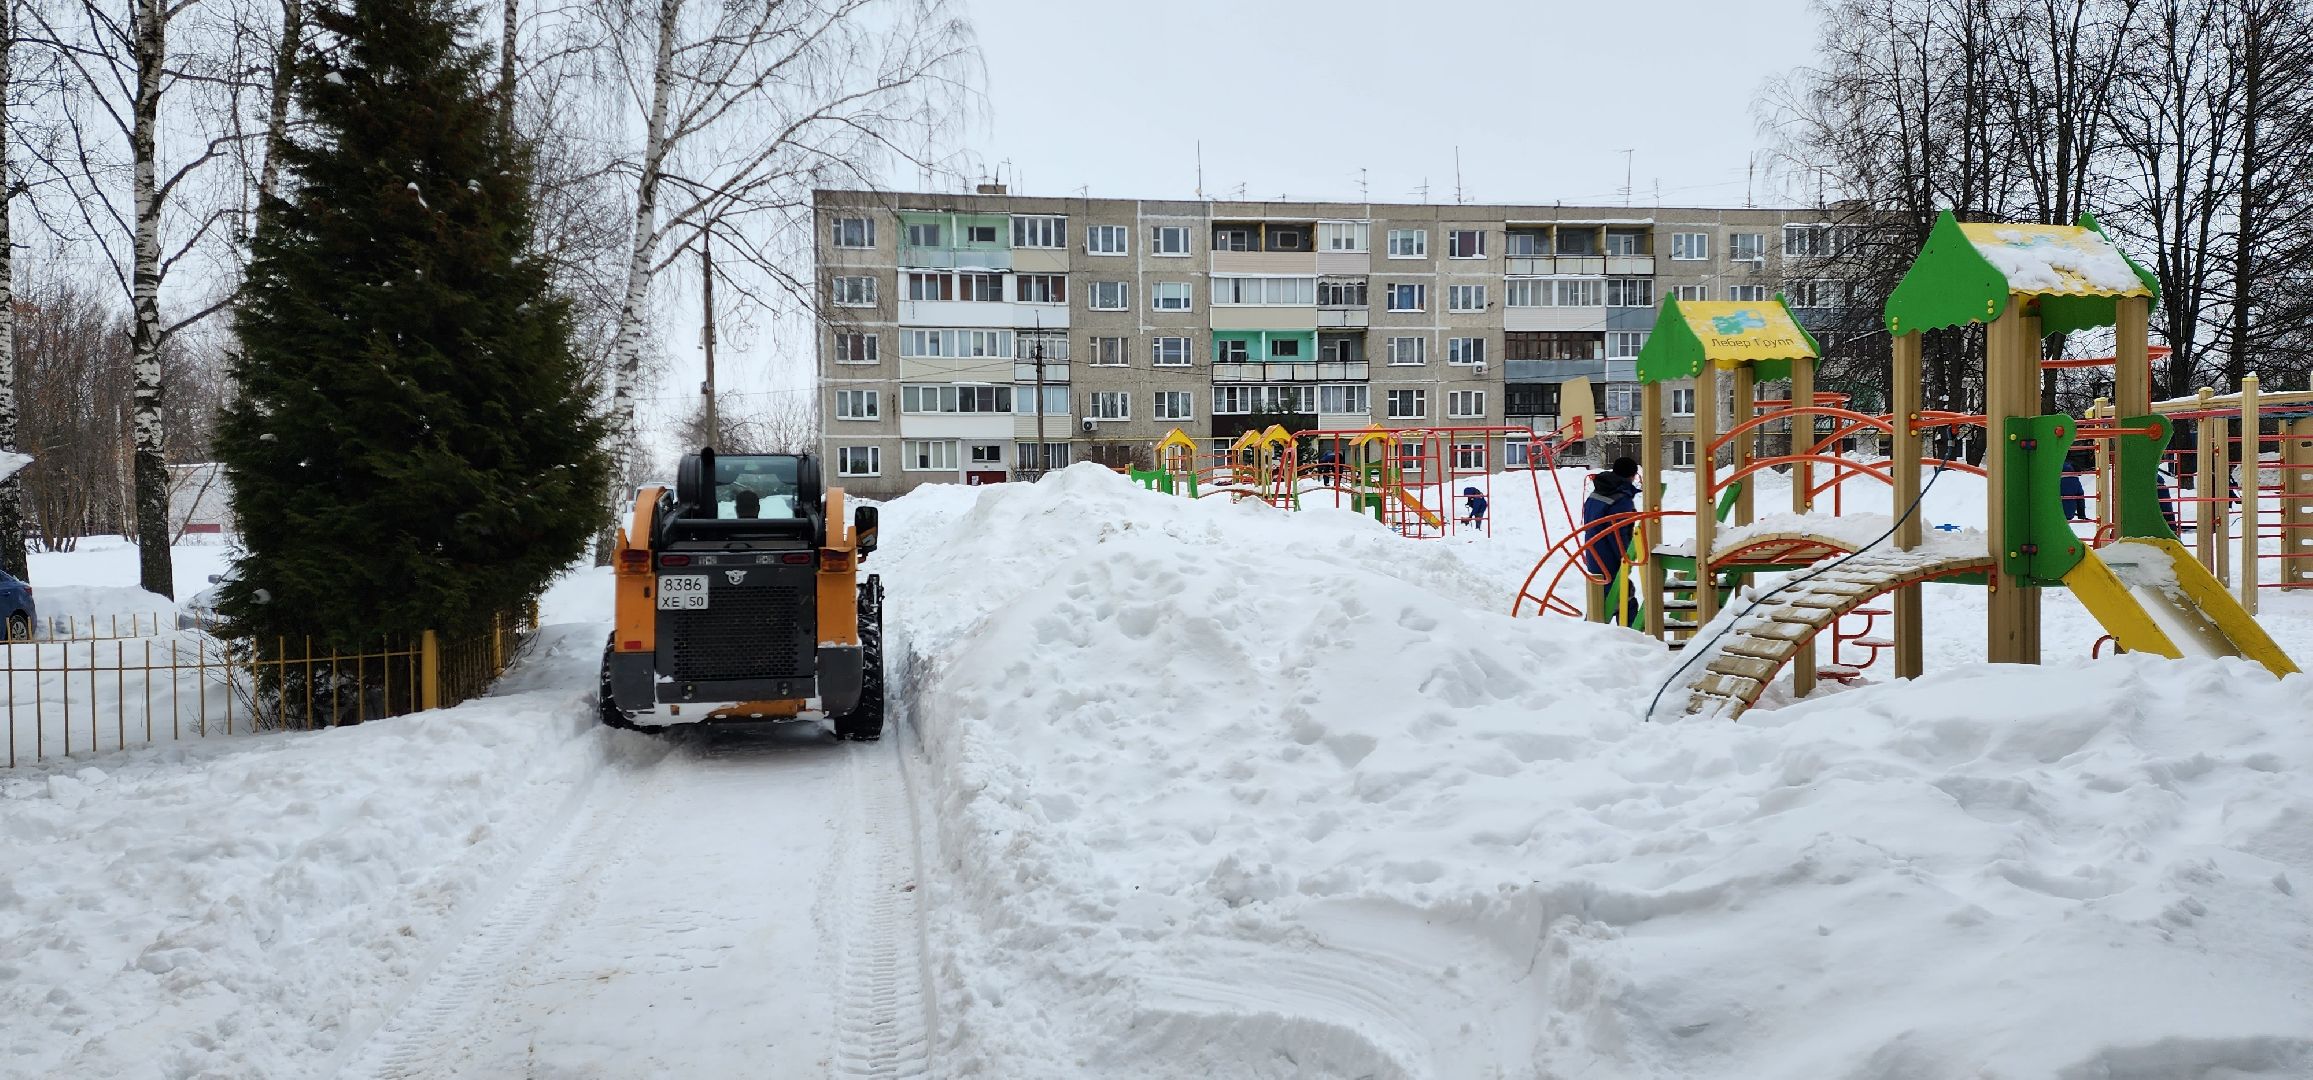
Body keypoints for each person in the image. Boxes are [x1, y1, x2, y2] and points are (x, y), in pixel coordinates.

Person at [1581, 457, 1642, 624]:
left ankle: (1594, 635)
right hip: (1609, 558)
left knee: (1602, 601)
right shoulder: (1620, 499)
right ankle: (1629, 639)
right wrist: (1625, 557)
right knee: (1620, 599)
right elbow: (1618, 534)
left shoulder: (1598, 492)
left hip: (1594, 553)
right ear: (1632, 475)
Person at [2059, 457, 2088, 522]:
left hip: (2054, 512)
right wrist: (2081, 514)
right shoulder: (2075, 481)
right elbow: (2080, 497)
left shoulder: (2055, 479)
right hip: (2069, 513)